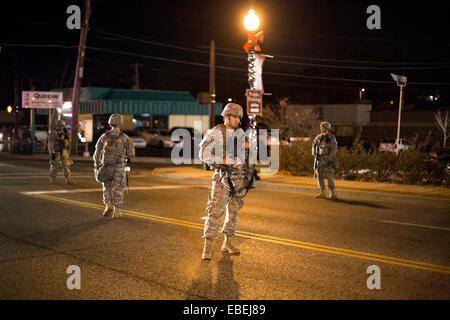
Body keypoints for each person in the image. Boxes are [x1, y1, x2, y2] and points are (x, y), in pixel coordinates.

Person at [199, 103, 255, 260]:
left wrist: (248, 176)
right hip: (223, 178)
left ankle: (228, 242)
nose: (237, 120)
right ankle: (208, 246)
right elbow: (203, 154)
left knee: (234, 213)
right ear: (226, 117)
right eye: (234, 117)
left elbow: (248, 157)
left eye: (239, 117)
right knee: (215, 212)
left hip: (239, 180)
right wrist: (221, 159)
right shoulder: (216, 132)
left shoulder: (241, 134)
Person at [93, 114, 135, 218]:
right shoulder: (125, 138)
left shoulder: (103, 137)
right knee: (118, 188)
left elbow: (96, 153)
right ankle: (117, 211)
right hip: (118, 167)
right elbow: (131, 154)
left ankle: (108, 205)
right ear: (120, 123)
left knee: (106, 187)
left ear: (110, 123)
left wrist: (97, 165)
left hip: (106, 166)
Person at [312, 121, 338, 200]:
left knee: (329, 176)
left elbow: (334, 149)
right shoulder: (319, 137)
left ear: (327, 128)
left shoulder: (331, 138)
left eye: (323, 127)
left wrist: (330, 157)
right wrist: (314, 153)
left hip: (328, 160)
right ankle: (322, 192)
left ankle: (332, 192)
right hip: (320, 159)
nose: (322, 129)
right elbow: (314, 144)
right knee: (320, 176)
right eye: (321, 127)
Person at [48, 120, 73, 184]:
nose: (61, 127)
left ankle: (68, 179)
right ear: (57, 125)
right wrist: (52, 151)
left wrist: (67, 141)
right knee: (54, 165)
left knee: (66, 165)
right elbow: (51, 143)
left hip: (63, 151)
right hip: (56, 151)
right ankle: (52, 179)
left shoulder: (64, 133)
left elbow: (68, 143)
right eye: (60, 125)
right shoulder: (53, 133)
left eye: (62, 126)